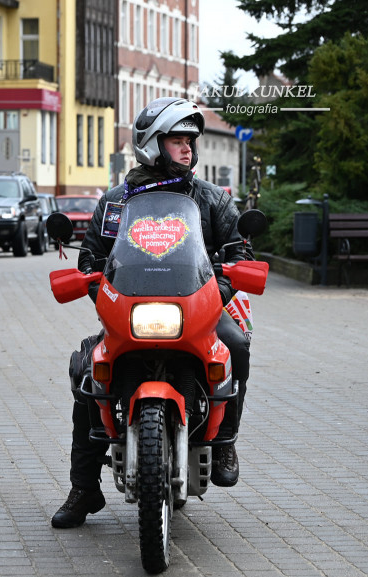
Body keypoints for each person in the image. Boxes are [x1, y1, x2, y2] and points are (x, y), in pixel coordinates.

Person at [51, 97, 250, 529]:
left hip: (198, 308)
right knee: (88, 371)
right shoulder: (119, 201)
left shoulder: (209, 198)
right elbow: (92, 257)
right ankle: (84, 488)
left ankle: (225, 442)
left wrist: (220, 287)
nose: (187, 149)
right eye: (177, 140)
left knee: (235, 343)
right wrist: (96, 282)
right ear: (151, 144)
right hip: (133, 311)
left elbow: (238, 251)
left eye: (190, 141)